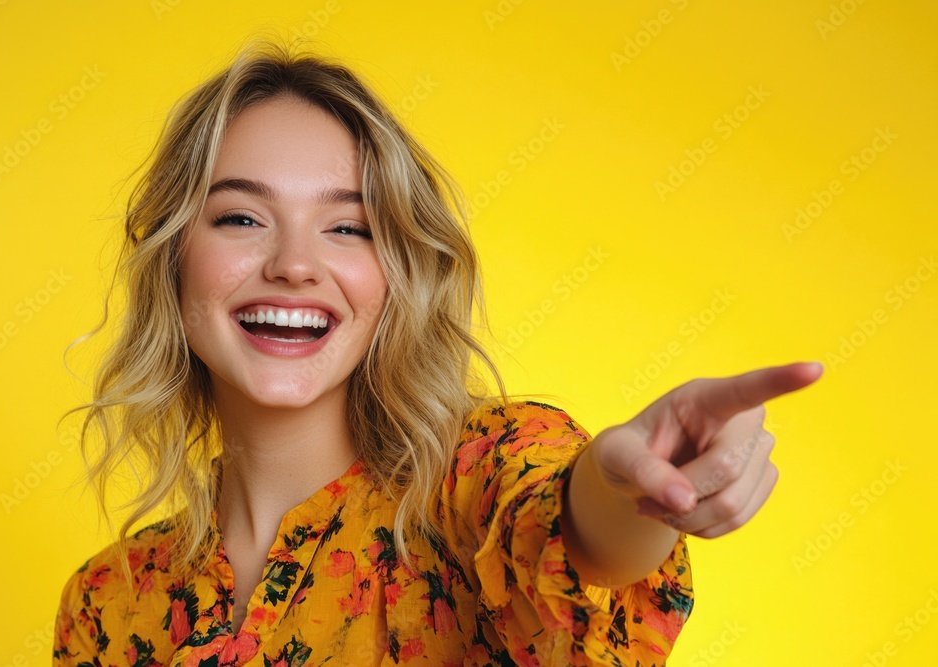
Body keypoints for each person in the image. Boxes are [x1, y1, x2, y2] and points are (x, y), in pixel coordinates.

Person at [52, 41, 822, 667]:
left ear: (397, 271)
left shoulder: (471, 484)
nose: (294, 264)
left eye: (348, 227)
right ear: (172, 255)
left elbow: (572, 531)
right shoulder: (107, 604)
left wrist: (632, 495)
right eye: (241, 218)